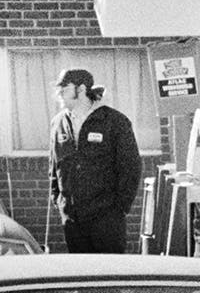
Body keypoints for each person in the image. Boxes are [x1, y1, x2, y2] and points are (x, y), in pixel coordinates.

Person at [48, 68, 142, 253]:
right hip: (73, 219)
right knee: (81, 274)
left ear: (81, 89)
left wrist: (119, 208)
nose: (59, 94)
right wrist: (58, 200)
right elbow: (54, 165)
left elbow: (130, 166)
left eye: (64, 89)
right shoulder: (58, 123)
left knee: (109, 273)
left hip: (106, 218)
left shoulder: (114, 121)